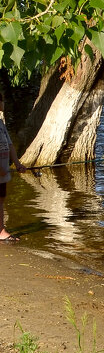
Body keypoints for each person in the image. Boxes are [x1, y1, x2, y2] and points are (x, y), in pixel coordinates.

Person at [0, 95, 30, 242]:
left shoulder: (1, 124)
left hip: (3, 171)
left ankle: (0, 230)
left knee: (1, 198)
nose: (3, 103)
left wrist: (17, 163)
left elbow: (10, 145)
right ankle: (1, 231)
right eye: (1, 100)